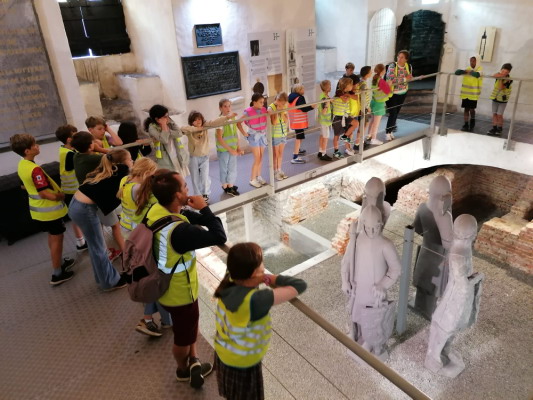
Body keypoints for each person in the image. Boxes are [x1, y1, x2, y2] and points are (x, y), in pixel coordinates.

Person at [147, 171, 227, 388]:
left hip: (164, 286)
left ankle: (194, 359)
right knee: (182, 337)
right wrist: (205, 208)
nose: (188, 188)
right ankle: (182, 370)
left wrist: (193, 211)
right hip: (180, 293)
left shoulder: (157, 211)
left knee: (188, 327)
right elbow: (219, 236)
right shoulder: (180, 232)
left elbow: (188, 218)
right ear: (176, 195)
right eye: (184, 186)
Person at [214, 242, 307, 400]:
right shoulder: (256, 300)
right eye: (261, 263)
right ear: (253, 272)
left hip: (224, 352)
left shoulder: (229, 279)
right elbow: (299, 285)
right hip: (243, 364)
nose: (264, 265)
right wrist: (269, 278)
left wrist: (258, 277)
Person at [11, 134, 75, 286]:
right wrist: (60, 196)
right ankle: (57, 273)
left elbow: (23, 186)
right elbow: (44, 193)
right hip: (49, 211)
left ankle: (59, 263)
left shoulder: (22, 164)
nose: (37, 146)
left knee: (52, 237)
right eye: (34, 145)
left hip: (39, 212)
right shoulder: (35, 170)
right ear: (27, 151)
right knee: (57, 238)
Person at [425, 214, 485, 378]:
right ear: (473, 234)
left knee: (452, 327)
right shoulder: (459, 254)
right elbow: (462, 285)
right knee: (446, 326)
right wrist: (478, 278)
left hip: (458, 297)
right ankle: (434, 358)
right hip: (455, 298)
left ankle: (443, 351)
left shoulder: (462, 249)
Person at [117, 161, 173, 337]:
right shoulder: (141, 191)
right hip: (143, 238)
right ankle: (153, 320)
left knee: (148, 275)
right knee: (154, 277)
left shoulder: (125, 181)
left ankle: (149, 318)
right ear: (147, 172)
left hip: (130, 234)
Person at [341, 206, 401, 360]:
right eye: (368, 228)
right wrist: (345, 281)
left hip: (374, 292)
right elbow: (346, 261)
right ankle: (358, 335)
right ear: (363, 225)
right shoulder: (357, 240)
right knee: (357, 314)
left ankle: (369, 343)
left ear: (381, 224)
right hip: (358, 287)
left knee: (372, 319)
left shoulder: (386, 245)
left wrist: (383, 285)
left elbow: (395, 269)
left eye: (376, 227)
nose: (372, 231)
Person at [68, 149, 132, 291]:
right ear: (121, 163)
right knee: (98, 247)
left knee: (95, 246)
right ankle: (109, 282)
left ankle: (102, 278)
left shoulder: (108, 171)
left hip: (76, 205)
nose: (132, 162)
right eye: (130, 159)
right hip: (84, 209)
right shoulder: (121, 171)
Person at [71, 131, 124, 262]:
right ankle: (125, 252)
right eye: (93, 142)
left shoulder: (76, 156)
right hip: (99, 199)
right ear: (90, 146)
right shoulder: (94, 159)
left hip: (87, 197)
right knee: (115, 225)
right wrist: (100, 149)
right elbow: (115, 155)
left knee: (99, 228)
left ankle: (107, 251)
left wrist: (94, 147)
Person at [412, 175, 454, 320]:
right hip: (439, 257)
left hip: (425, 252)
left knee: (423, 284)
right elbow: (448, 244)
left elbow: (417, 229)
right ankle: (428, 311)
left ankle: (419, 307)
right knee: (433, 289)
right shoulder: (445, 216)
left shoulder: (422, 207)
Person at [181, 110, 235, 203]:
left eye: (199, 119)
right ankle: (198, 195)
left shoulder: (205, 126)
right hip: (194, 157)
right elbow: (181, 129)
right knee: (195, 178)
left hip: (205, 157)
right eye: (195, 120)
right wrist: (195, 129)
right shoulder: (190, 130)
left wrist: (227, 117)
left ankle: (205, 194)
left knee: (205, 176)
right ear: (192, 122)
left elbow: (215, 122)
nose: (198, 121)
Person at [54, 125, 87, 251]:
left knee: (75, 217)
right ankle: (81, 242)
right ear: (69, 139)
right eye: (75, 135)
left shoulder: (64, 149)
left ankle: (81, 242)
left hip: (70, 189)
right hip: (73, 190)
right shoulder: (70, 154)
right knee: (79, 217)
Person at [145, 104, 190, 177]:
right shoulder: (152, 128)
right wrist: (164, 125)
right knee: (172, 180)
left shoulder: (170, 122)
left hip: (178, 156)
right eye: (165, 116)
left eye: (167, 115)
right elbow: (164, 140)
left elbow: (179, 133)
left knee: (181, 179)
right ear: (157, 119)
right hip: (166, 160)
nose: (167, 118)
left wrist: (168, 130)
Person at [237, 93, 268, 188]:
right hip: (253, 137)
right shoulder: (248, 112)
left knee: (261, 157)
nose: (262, 104)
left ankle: (259, 176)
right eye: (260, 102)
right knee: (257, 158)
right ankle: (252, 179)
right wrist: (244, 133)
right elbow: (238, 123)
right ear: (254, 102)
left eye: (263, 102)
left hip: (262, 136)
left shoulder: (264, 110)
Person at [216, 99, 242, 197]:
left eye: (229, 106)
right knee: (224, 168)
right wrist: (230, 150)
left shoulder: (233, 118)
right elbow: (220, 138)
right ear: (220, 108)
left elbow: (236, 134)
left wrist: (238, 147)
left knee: (232, 168)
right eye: (225, 106)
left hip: (232, 148)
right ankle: (226, 186)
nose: (228, 108)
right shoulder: (220, 121)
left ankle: (229, 185)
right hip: (224, 150)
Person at [385, 50, 413, 140]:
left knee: (396, 113)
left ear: (406, 59)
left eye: (402, 57)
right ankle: (387, 132)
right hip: (392, 94)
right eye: (398, 57)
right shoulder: (392, 66)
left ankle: (391, 131)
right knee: (392, 113)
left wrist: (409, 78)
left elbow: (409, 77)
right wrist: (405, 79)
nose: (399, 59)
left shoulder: (408, 66)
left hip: (403, 92)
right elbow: (391, 80)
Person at [288, 84, 316, 164]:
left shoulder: (291, 98)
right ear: (299, 90)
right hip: (299, 122)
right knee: (299, 138)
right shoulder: (300, 98)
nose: (304, 90)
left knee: (300, 137)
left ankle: (298, 150)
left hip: (294, 121)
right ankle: (295, 156)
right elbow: (303, 108)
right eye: (303, 89)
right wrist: (311, 107)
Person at [455, 55, 483, 132]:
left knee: (472, 109)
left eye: (473, 61)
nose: (471, 62)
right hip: (465, 94)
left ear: (477, 61)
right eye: (470, 60)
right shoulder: (468, 68)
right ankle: (466, 124)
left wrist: (468, 71)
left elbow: (476, 74)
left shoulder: (480, 69)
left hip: (473, 94)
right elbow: (457, 72)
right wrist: (465, 71)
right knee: (466, 109)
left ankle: (472, 120)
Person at [268, 92, 290, 180]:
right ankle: (275, 171)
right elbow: (274, 122)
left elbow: (286, 120)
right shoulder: (271, 108)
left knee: (280, 153)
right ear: (278, 100)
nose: (284, 105)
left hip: (283, 133)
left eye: (284, 104)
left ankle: (279, 169)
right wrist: (277, 111)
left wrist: (282, 111)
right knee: (275, 154)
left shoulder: (284, 107)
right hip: (275, 134)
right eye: (283, 103)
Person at [368, 64, 392, 145]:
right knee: (376, 124)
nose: (385, 71)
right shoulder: (381, 81)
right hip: (379, 104)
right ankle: (373, 139)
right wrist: (389, 85)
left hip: (373, 102)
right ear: (382, 71)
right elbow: (389, 93)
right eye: (384, 70)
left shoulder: (375, 78)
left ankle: (369, 136)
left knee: (372, 121)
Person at [487, 63, 513, 136]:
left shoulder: (509, 80)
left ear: (509, 72)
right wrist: (500, 76)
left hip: (503, 100)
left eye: (506, 72)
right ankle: (494, 128)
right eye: (503, 71)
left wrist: (501, 78)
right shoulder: (498, 75)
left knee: (499, 115)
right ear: (501, 70)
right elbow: (493, 75)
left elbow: (501, 87)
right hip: (495, 98)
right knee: (494, 114)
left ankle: (499, 129)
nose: (504, 73)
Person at [331, 77, 353, 159]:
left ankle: (345, 139)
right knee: (336, 135)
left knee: (354, 125)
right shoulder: (339, 92)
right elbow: (345, 100)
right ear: (346, 85)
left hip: (345, 116)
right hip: (337, 117)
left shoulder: (346, 93)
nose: (352, 86)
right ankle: (336, 151)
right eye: (351, 85)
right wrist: (348, 96)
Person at [317, 80, 333, 161]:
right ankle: (324, 153)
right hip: (325, 121)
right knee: (326, 137)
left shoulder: (323, 95)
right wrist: (327, 104)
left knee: (322, 135)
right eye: (329, 86)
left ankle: (320, 151)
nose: (331, 87)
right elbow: (324, 111)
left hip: (323, 120)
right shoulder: (324, 98)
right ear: (326, 87)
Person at [357, 66, 372, 144]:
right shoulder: (363, 84)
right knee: (363, 125)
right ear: (367, 74)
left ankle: (360, 141)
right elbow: (363, 97)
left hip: (364, 107)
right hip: (363, 108)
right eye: (370, 72)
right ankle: (358, 142)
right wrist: (367, 107)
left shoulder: (362, 82)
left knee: (365, 124)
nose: (371, 73)